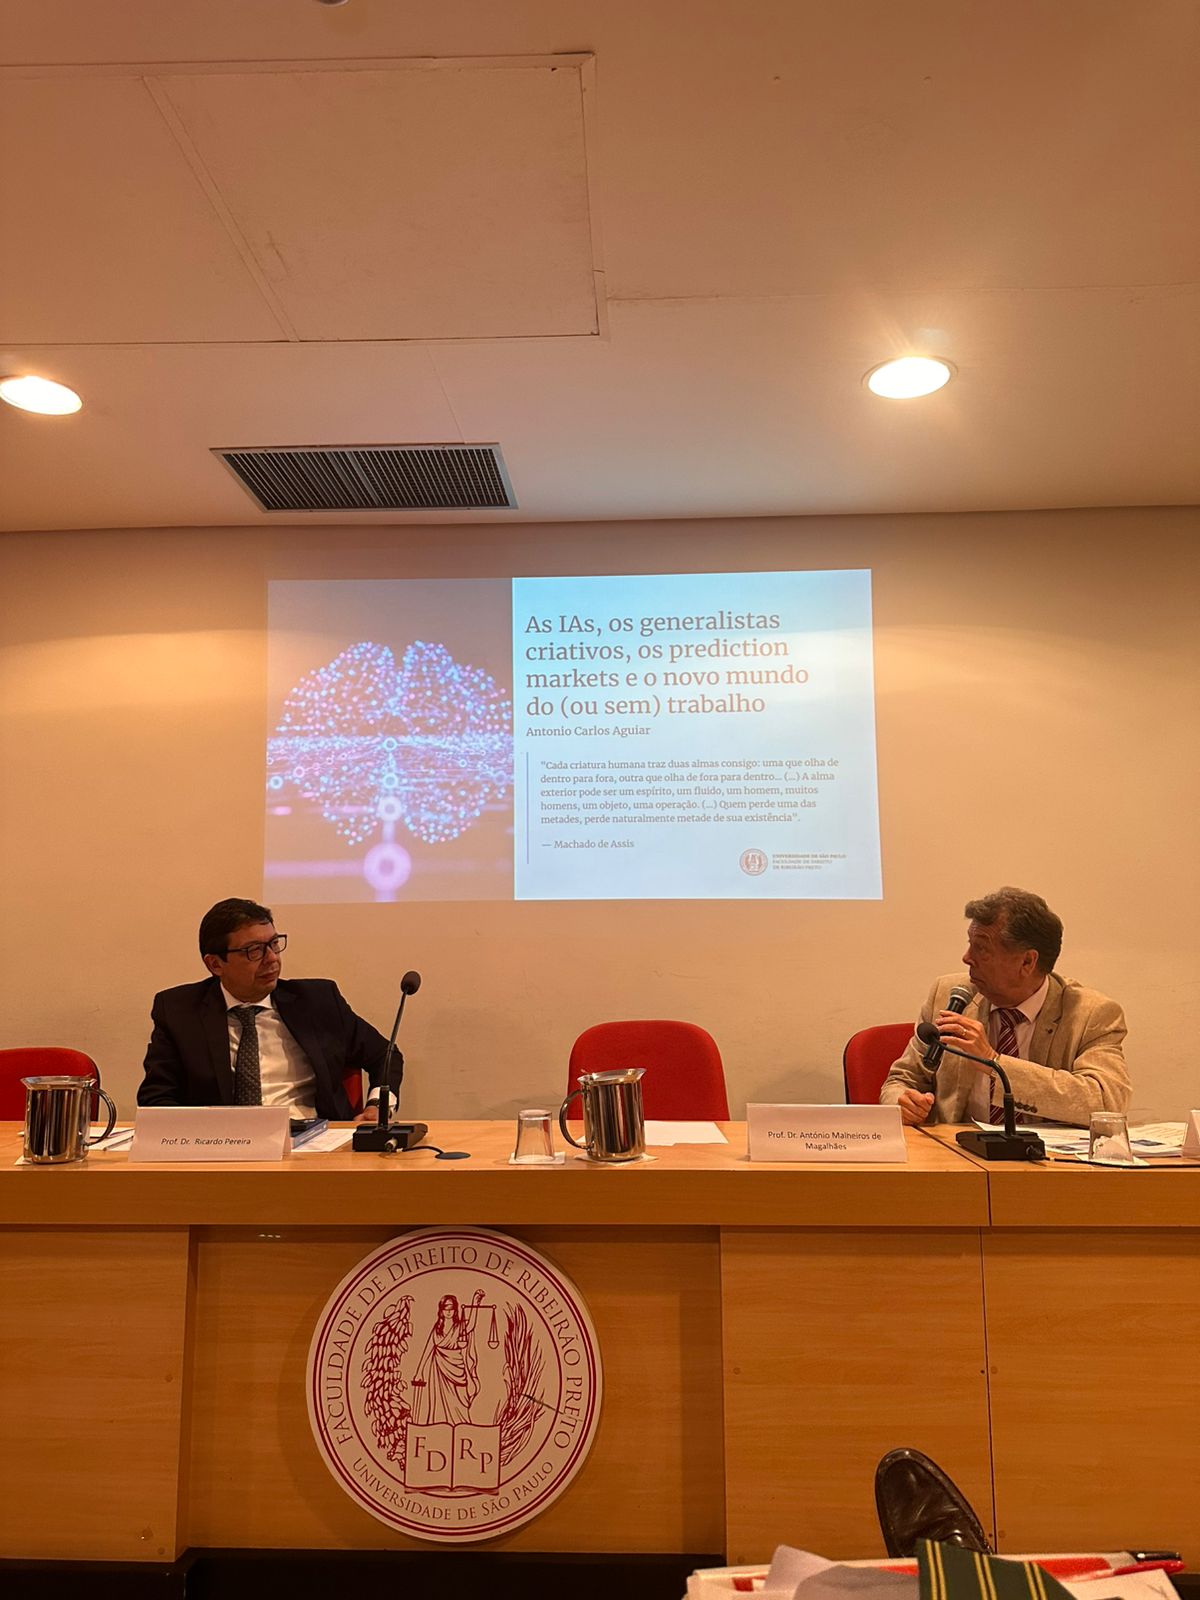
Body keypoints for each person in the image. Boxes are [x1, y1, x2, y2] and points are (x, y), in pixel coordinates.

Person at [879, 887, 1131, 1127]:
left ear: (1027, 962)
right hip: (955, 1152)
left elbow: (1106, 1101)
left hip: (1046, 1156)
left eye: (981, 948)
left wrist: (994, 1062)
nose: (967, 957)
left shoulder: (1091, 1014)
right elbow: (901, 1080)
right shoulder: (947, 995)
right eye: (969, 943)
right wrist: (901, 1102)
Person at [138, 897, 390, 1120]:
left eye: (274, 944)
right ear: (215, 964)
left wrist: (377, 1105)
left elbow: (384, 1055)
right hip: (222, 1145)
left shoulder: (318, 1001)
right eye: (254, 951)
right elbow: (156, 1098)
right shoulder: (179, 1011)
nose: (272, 958)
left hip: (312, 1142)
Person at [411, 1291, 487, 1426]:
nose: (448, 1312)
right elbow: (428, 1349)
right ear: (441, 1311)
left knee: (461, 1399)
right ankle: (439, 1429)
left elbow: (471, 1325)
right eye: (445, 1308)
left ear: (455, 1310)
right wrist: (419, 1371)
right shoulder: (437, 1329)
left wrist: (475, 1304)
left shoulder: (459, 1327)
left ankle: (462, 1426)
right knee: (439, 1401)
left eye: (451, 1308)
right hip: (439, 1369)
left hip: (457, 1368)